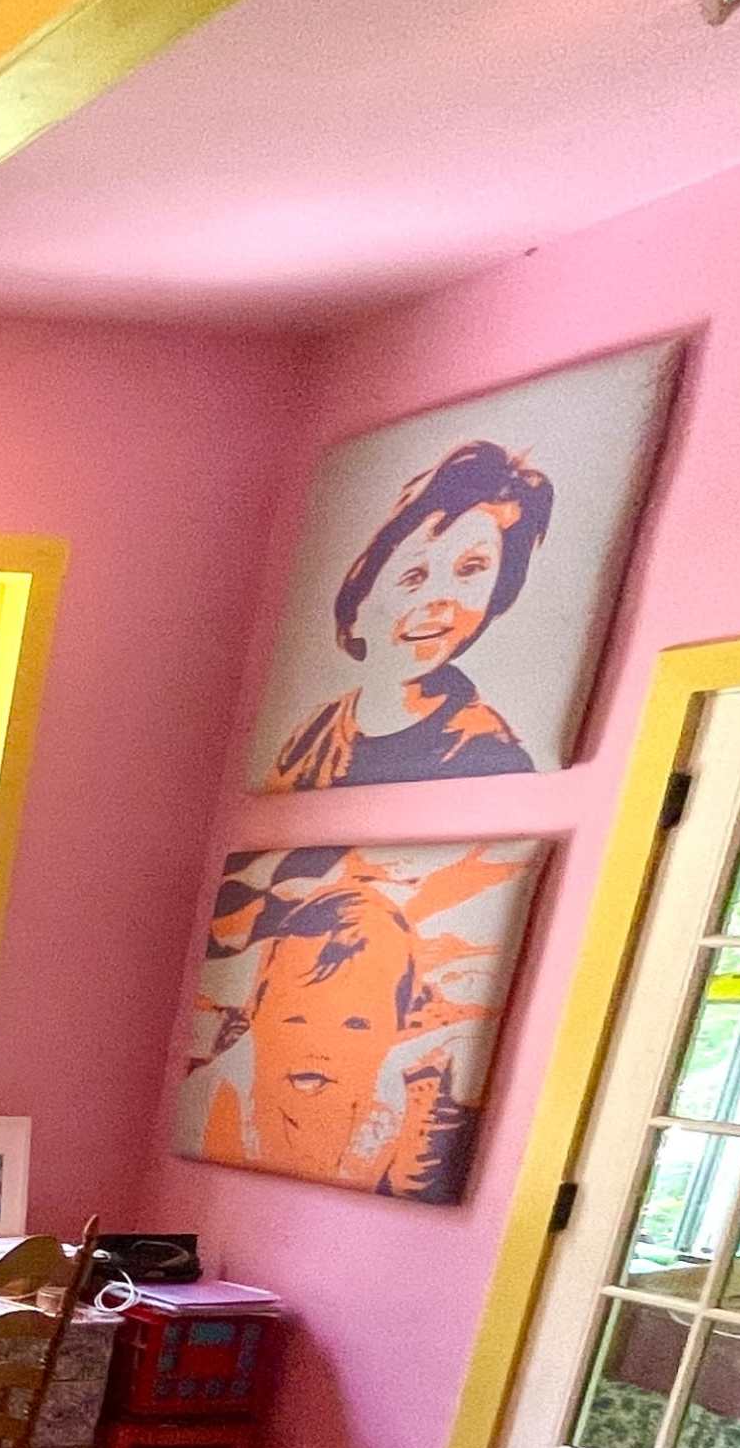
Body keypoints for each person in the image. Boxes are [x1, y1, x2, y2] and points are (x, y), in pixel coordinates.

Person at [179, 844, 530, 1200]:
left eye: (356, 1025)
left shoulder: (409, 1128)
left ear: (396, 1028)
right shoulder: (213, 1101)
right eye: (295, 1018)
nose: (319, 1047)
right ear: (257, 1012)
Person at [261, 438, 556, 790]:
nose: (440, 599)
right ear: (361, 599)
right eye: (414, 575)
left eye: (471, 569)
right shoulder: (314, 732)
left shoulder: (488, 752)